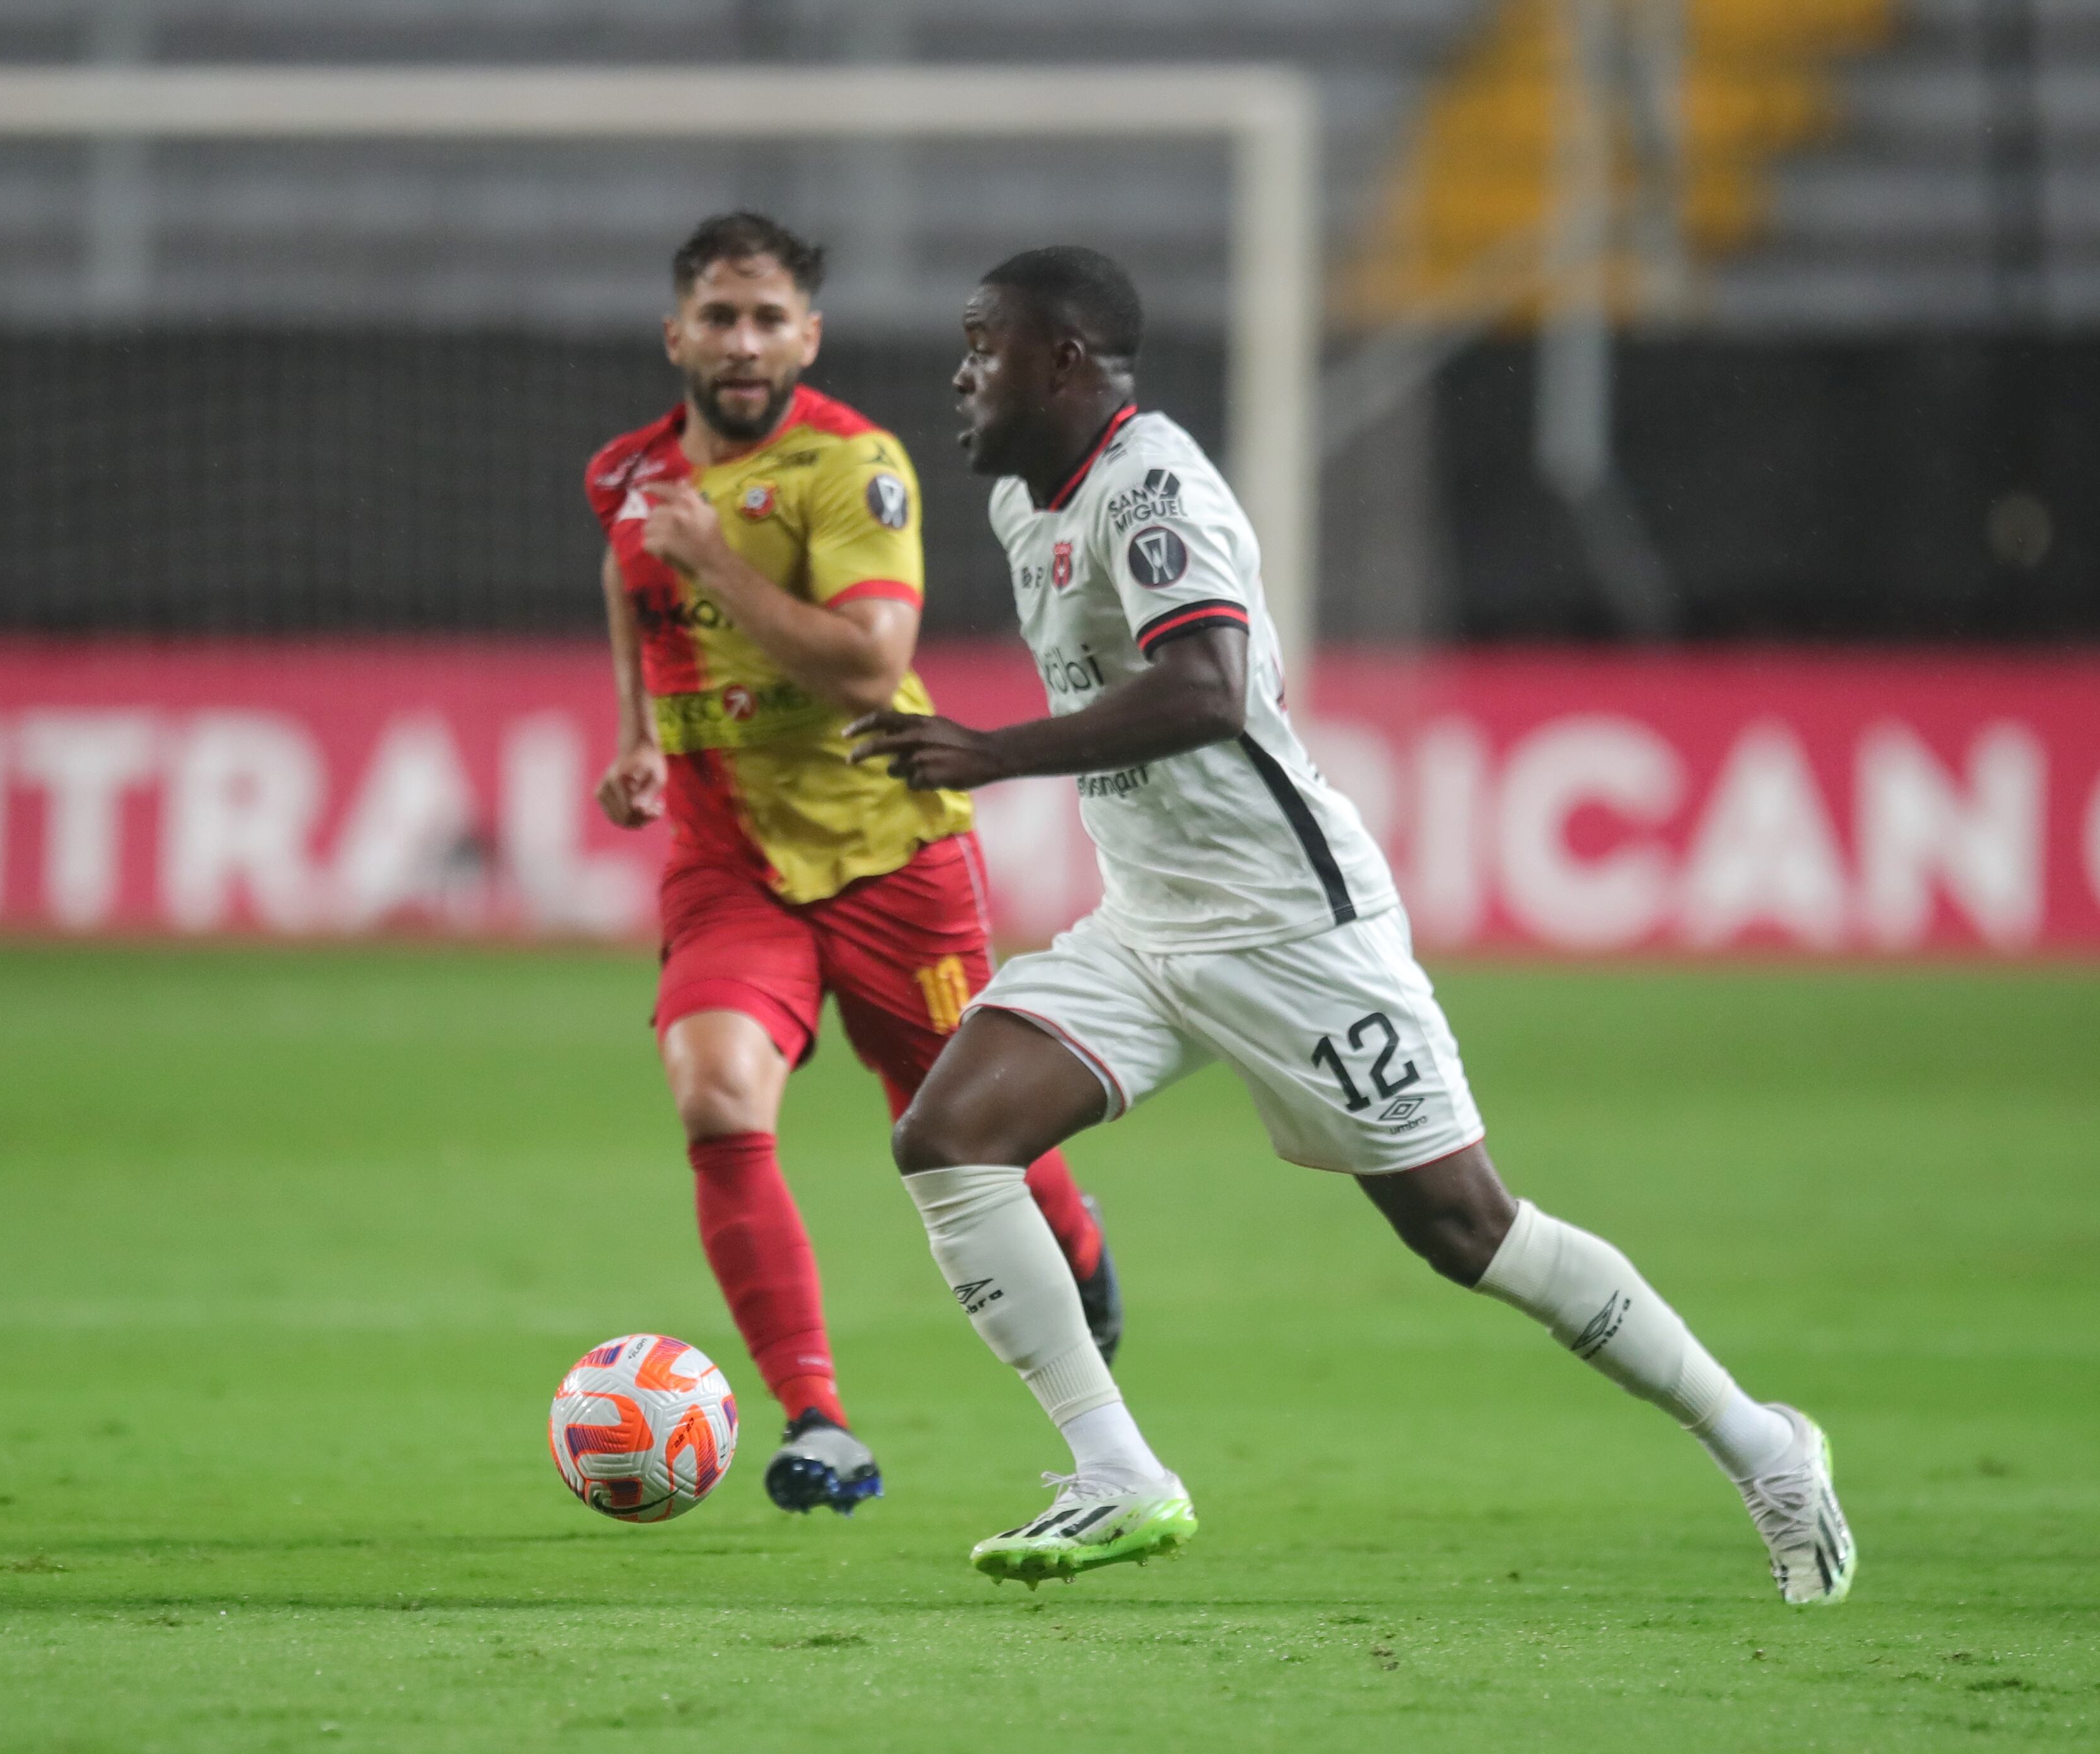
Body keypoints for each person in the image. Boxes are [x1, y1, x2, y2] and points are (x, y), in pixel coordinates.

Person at [849, 245, 1856, 1602]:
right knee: (951, 1135)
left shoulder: (1156, 491)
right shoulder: (1033, 508)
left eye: (984, 343)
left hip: (1286, 924)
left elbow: (1207, 687)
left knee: (1465, 1229)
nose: (962, 372)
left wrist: (994, 753)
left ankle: (1763, 1446)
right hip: (1150, 923)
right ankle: (1119, 1475)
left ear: (1067, 359)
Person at [584, 214, 1122, 1514]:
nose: (745, 341)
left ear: (807, 336)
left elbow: (873, 663)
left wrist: (715, 554)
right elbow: (634, 586)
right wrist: (638, 736)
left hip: (892, 853)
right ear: (679, 335)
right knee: (715, 1095)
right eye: (721, 316)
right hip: (730, 865)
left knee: (961, 1131)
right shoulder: (626, 475)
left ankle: (1078, 1239)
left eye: (770, 318)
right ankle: (815, 1417)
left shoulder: (852, 465)